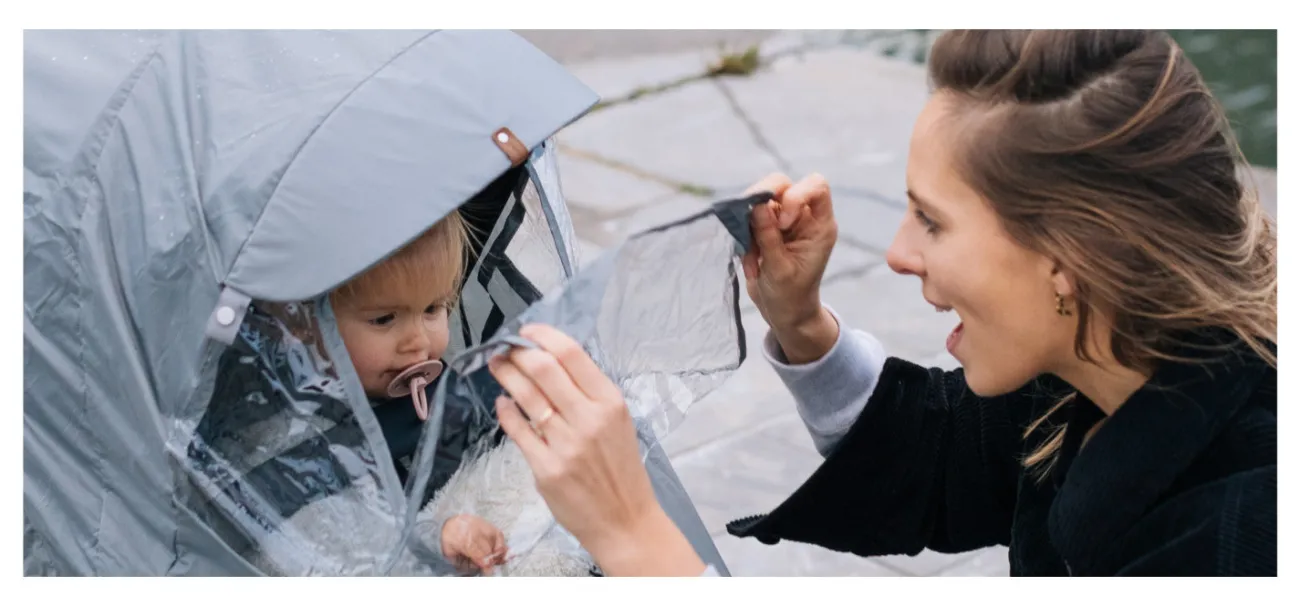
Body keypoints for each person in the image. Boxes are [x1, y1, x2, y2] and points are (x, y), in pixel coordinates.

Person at [485, 29, 1277, 576]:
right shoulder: (1116, 355)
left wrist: (634, 537)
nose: (897, 252)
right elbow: (950, 463)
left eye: (932, 220)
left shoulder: (1244, 539)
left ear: (1067, 260)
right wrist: (801, 323)